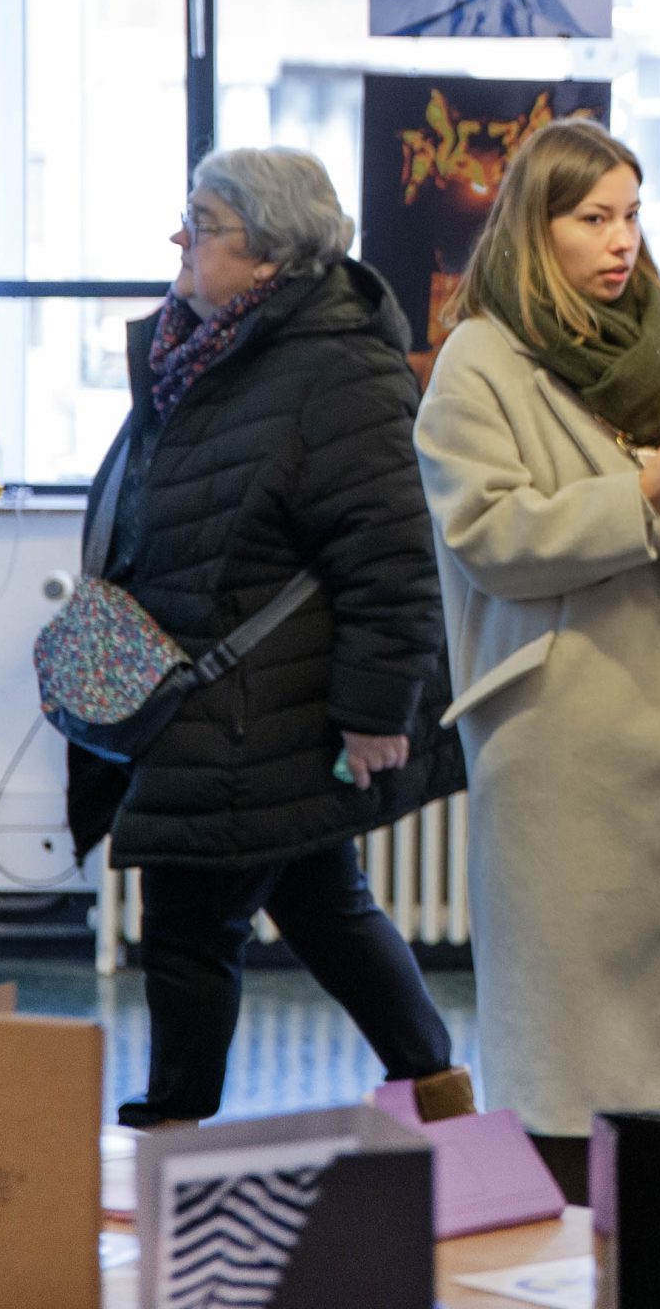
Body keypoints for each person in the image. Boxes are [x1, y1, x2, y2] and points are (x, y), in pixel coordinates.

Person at [413, 119, 660, 1201]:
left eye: (631, 215)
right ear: (536, 227)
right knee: (581, 1053)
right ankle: (574, 1254)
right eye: (594, 218)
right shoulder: (477, 364)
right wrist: (641, 492)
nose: (621, 240)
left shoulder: (658, 342)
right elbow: (489, 534)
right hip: (565, 738)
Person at [67, 147, 471, 1131]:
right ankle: (440, 1096)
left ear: (270, 260)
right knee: (325, 905)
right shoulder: (194, 349)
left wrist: (377, 713)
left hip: (256, 713)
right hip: (210, 704)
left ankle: (170, 1136)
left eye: (203, 224)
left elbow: (393, 556)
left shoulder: (335, 367)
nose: (180, 238)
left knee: (188, 930)